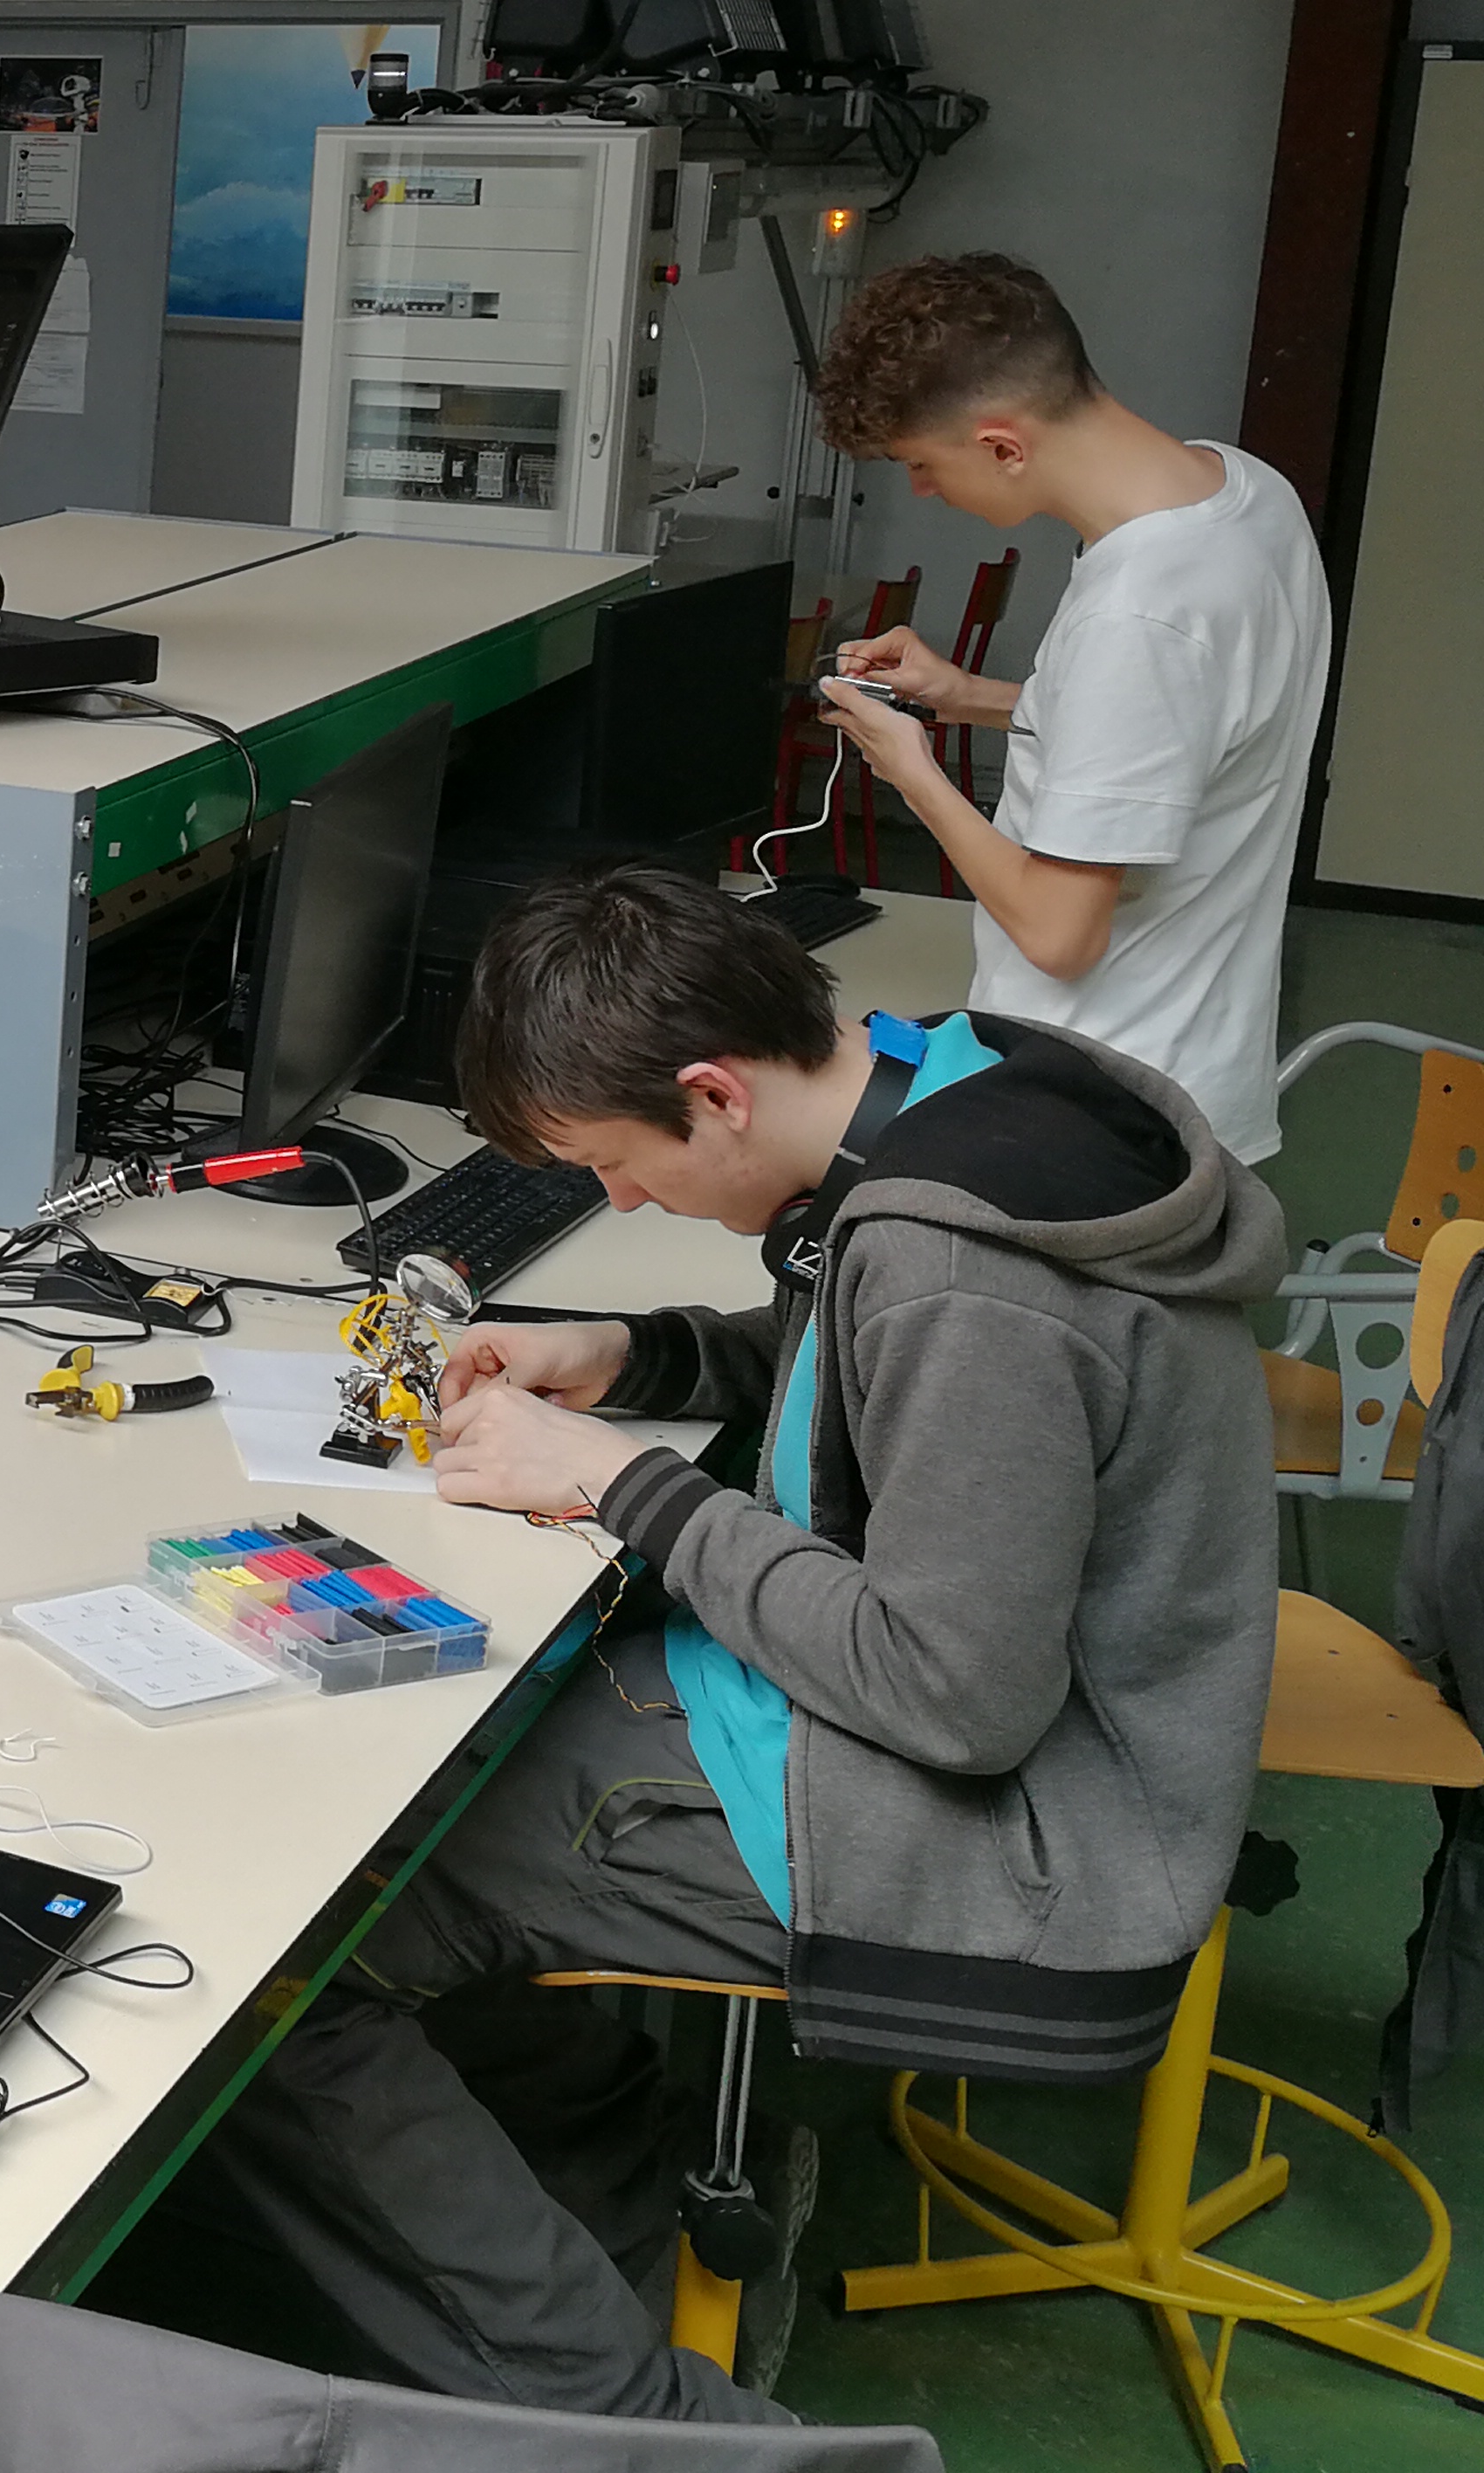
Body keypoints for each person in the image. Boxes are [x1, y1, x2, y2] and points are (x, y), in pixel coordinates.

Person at [180, 863, 1274, 2423]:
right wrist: (636, 1353)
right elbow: (880, 1378)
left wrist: (625, 1486)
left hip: (1017, 1832)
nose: (622, 1204)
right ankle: (619, 2178)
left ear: (711, 1093)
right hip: (929, 1718)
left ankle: (643, 2431)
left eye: (613, 1165)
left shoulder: (966, 1278)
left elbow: (955, 1692)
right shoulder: (947, 1091)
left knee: (285, 1945)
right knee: (415, 1795)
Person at [807, 251, 1330, 1162]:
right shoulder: (1241, 490)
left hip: (1107, 1112)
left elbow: (1059, 934)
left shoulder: (1140, 613)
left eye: (921, 463)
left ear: (1002, 446)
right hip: (1189, 1076)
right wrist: (967, 697)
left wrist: (913, 772)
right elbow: (1182, 728)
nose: (923, 489)